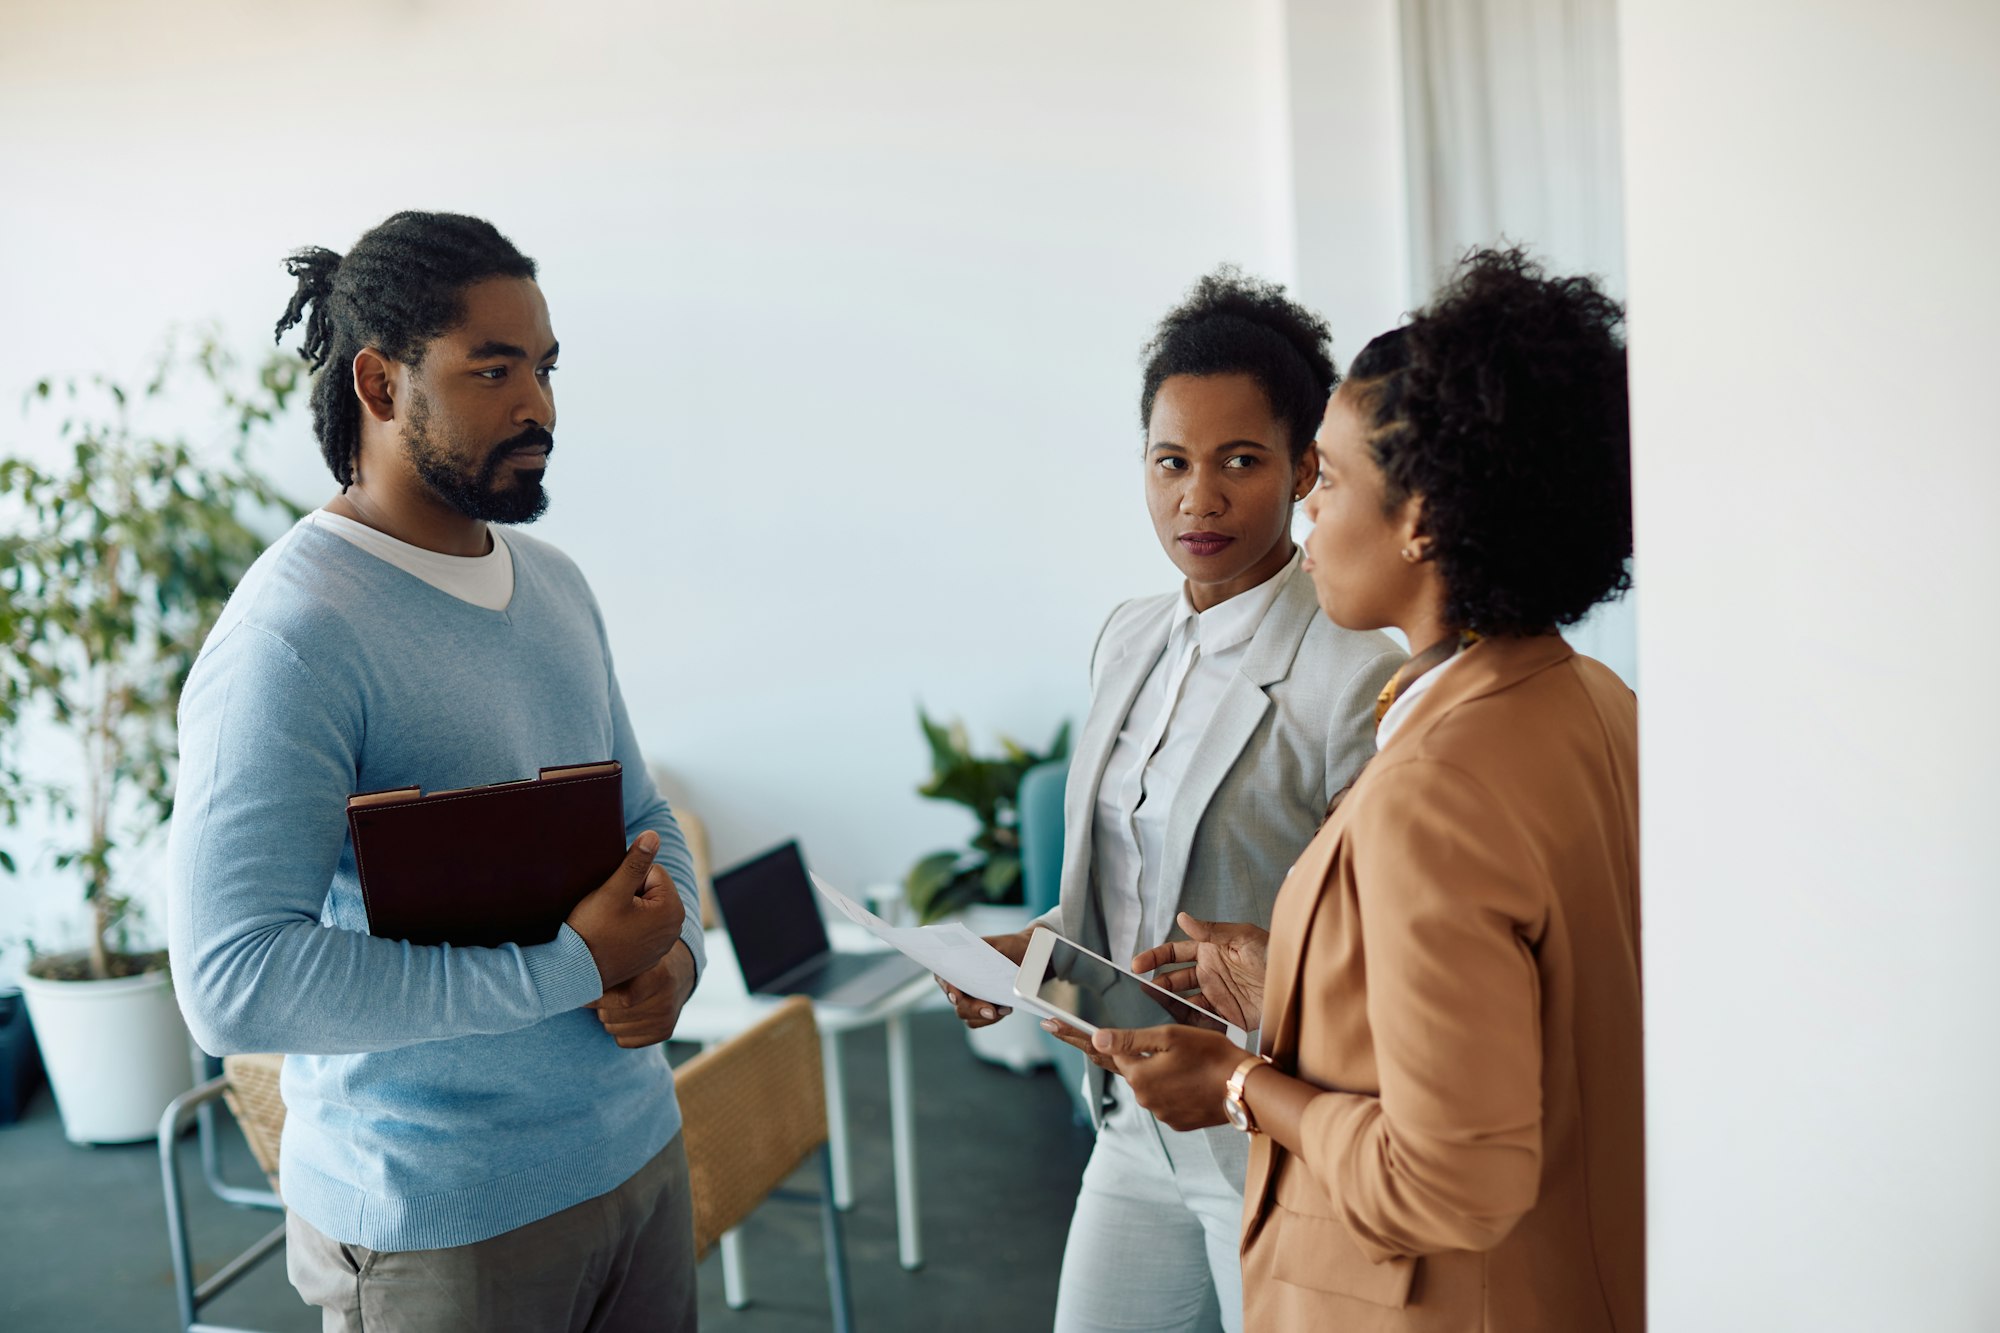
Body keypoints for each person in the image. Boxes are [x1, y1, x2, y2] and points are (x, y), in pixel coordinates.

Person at [167, 211, 706, 1333]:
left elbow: (641, 812)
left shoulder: (554, 583)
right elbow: (232, 979)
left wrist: (675, 957)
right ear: (378, 382)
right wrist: (571, 966)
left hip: (636, 1160)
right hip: (441, 1225)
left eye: (546, 368)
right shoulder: (291, 635)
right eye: (493, 368)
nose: (540, 406)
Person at [1097, 247, 1643, 1331]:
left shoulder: (1431, 788)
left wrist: (1239, 1086)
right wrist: (1287, 987)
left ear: (1423, 519)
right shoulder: (1588, 699)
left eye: (1327, 479)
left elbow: (1451, 1179)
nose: (1305, 519)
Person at [938, 269, 1403, 1333]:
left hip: (1269, 1130)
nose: (1199, 498)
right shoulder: (1129, 635)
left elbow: (1375, 942)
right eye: (1171, 462)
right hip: (1129, 1120)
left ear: (1300, 472)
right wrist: (1037, 953)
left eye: (1240, 461)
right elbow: (1126, 882)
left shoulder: (1351, 669)